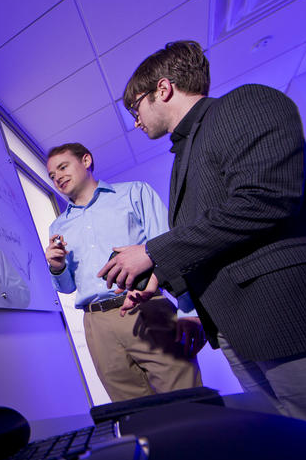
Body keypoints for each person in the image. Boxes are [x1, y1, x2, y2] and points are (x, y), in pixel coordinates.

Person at [99, 40, 306, 449]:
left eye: (136, 108)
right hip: (245, 332)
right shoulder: (186, 152)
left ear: (163, 89)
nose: (135, 122)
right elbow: (220, 234)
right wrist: (161, 275)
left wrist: (152, 251)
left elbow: (266, 197)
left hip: (297, 320)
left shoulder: (244, 104)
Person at [45, 142, 204, 402]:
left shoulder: (135, 193)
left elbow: (171, 250)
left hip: (147, 308)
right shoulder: (58, 225)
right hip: (97, 326)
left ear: (86, 161)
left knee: (187, 400)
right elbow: (66, 287)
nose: (57, 177)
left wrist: (188, 309)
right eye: (52, 175)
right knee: (132, 414)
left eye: (63, 167)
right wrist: (57, 267)